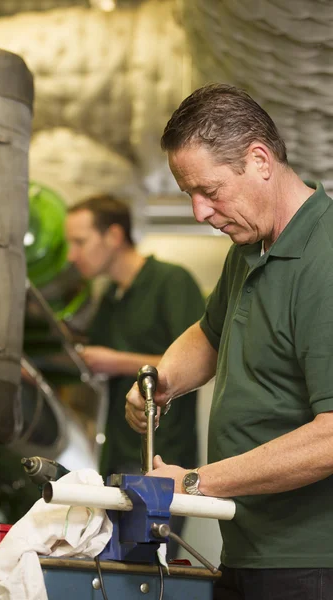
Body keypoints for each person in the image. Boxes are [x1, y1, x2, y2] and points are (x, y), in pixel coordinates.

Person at [125, 83, 333, 600]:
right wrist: (164, 380)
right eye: (188, 195)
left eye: (210, 191)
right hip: (246, 549)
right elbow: (208, 333)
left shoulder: (325, 259)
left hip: (311, 562)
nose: (200, 212)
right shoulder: (249, 248)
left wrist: (194, 482)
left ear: (259, 159)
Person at [66, 195, 205, 483]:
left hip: (161, 459)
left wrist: (116, 362)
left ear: (114, 236)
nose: (71, 255)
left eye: (80, 242)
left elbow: (202, 360)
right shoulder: (109, 298)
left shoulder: (171, 282)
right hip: (114, 453)